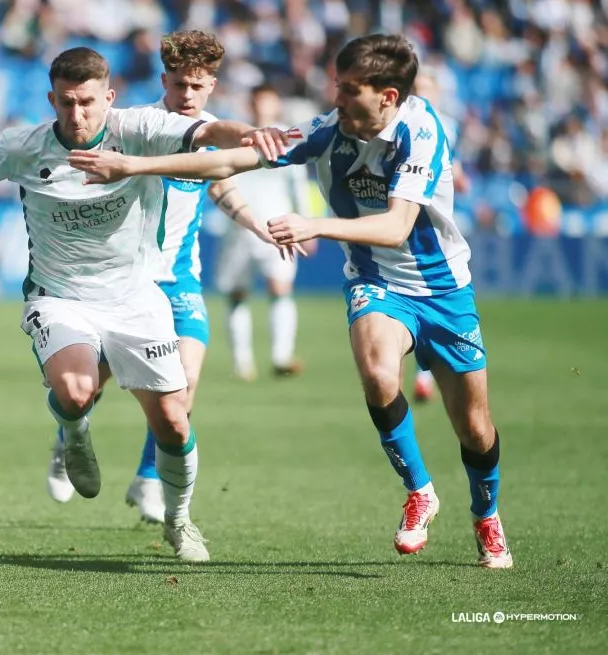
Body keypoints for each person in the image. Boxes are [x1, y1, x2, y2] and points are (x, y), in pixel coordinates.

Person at [67, 34, 513, 569]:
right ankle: (420, 489)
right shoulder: (329, 129)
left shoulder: (421, 131)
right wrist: (132, 167)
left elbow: (397, 227)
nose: (336, 98)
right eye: (336, 86)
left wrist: (314, 225)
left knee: (476, 429)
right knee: (377, 374)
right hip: (377, 284)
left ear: (387, 97)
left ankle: (486, 515)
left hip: (444, 290)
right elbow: (229, 161)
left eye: (349, 90)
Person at [0, 46, 285, 562]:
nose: (77, 114)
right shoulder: (23, 145)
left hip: (137, 298)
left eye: (88, 102)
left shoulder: (138, 129)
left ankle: (179, 521)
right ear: (52, 99)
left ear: (108, 97)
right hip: (59, 297)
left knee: (175, 420)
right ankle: (72, 434)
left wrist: (251, 135)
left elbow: (211, 138)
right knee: (75, 389)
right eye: (66, 103)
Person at [44, 31, 283, 524]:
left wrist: (257, 223)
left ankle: (148, 480)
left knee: (184, 385)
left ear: (212, 85)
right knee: (90, 382)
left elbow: (220, 187)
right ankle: (68, 436)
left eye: (197, 86)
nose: (187, 95)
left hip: (178, 281)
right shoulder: (137, 127)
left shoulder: (210, 131)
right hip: (124, 282)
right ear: (163, 81)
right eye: (178, 85)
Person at [215, 83, 314, 381]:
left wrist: (308, 224)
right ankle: (242, 362)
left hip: (278, 225)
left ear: (276, 105)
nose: (262, 108)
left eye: (268, 102)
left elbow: (298, 184)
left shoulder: (287, 137)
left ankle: (281, 357)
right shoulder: (237, 137)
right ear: (251, 104)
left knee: (279, 288)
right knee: (236, 294)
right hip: (239, 227)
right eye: (257, 102)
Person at [410, 66, 471, 403]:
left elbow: (454, 165)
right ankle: (426, 373)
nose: (422, 93)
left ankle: (429, 371)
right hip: (410, 216)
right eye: (417, 87)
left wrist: (459, 179)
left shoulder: (446, 125)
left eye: (427, 88)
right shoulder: (405, 122)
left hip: (438, 219)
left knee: (432, 293)